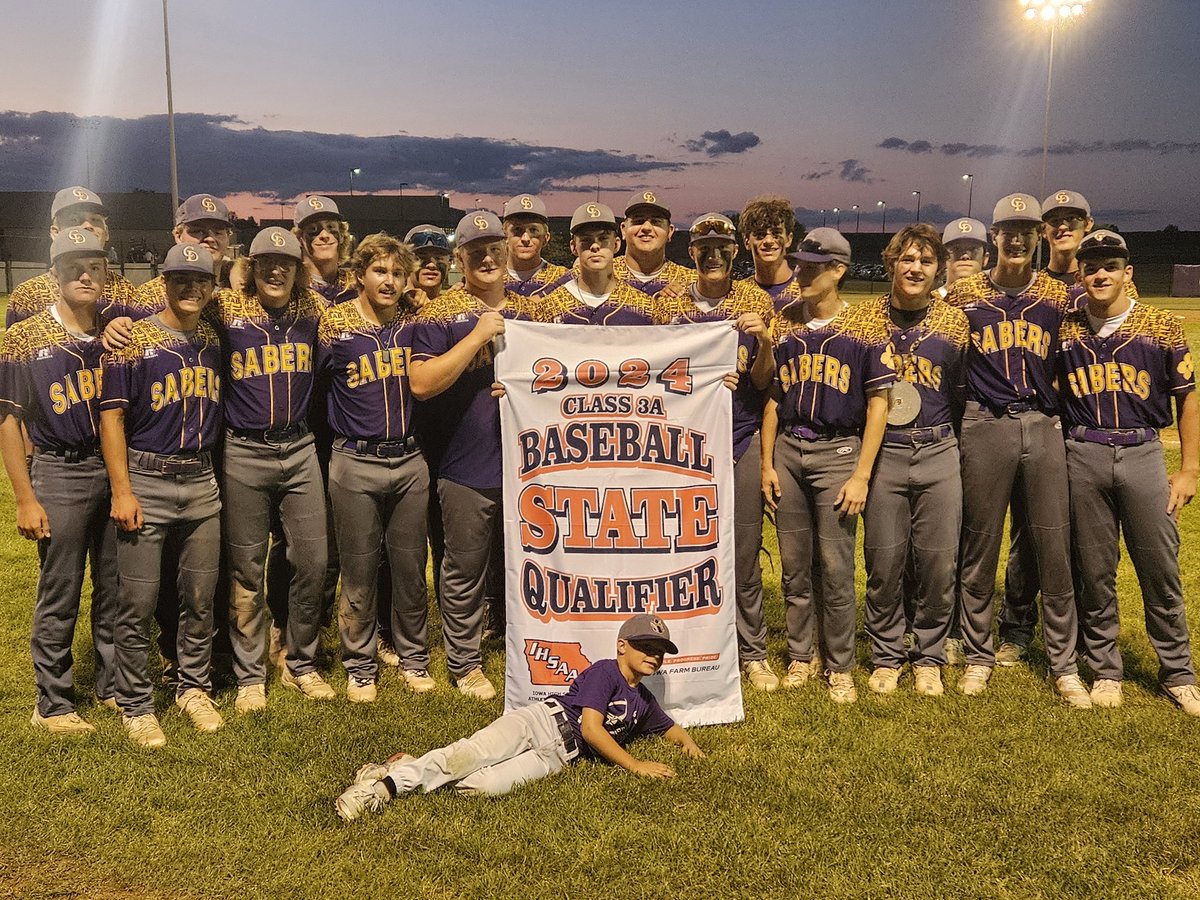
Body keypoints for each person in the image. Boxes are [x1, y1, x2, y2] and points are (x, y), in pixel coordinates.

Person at [333, 613, 705, 820]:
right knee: (466, 755)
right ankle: (377, 789)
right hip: (540, 722)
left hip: (558, 757)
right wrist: (636, 765)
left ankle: (404, 767)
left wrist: (690, 746)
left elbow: (670, 728)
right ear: (622, 645)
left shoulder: (642, 699)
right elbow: (592, 730)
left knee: (479, 787)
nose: (654, 656)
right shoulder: (606, 671)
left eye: (660, 651)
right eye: (646, 646)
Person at [945, 194, 1089, 707]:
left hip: (1044, 423)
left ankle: (1064, 662)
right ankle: (979, 654)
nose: (1017, 238)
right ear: (994, 236)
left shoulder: (1057, 294)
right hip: (986, 423)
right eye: (1008, 229)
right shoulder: (963, 297)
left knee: (1052, 543)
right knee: (979, 543)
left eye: (1027, 230)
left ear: (1038, 237)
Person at [1058, 230, 1200, 715]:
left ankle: (1178, 672)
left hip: (1141, 454)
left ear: (1127, 272)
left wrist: (1189, 470)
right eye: (1092, 266)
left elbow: (1187, 399)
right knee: (1094, 572)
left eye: (1110, 266)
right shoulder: (1066, 328)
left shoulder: (1160, 325)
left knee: (1159, 569)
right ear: (1080, 274)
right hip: (1084, 453)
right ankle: (1105, 669)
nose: (1101, 274)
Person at [409, 211, 544, 699]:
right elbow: (421, 384)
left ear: (508, 253)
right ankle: (464, 662)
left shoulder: (534, 311)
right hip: (466, 462)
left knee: (528, 564)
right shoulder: (439, 313)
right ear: (459, 259)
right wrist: (478, 337)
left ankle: (521, 644)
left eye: (495, 249)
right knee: (464, 567)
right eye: (475, 252)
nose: (487, 258)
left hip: (530, 464)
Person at [99, 243, 225, 748]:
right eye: (181, 279)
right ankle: (136, 702)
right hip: (147, 477)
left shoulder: (216, 340)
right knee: (138, 600)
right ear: (164, 282)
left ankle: (193, 687)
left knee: (198, 598)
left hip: (201, 480)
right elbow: (111, 417)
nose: (192, 288)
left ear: (213, 286)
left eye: (202, 280)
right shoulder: (133, 339)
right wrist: (122, 490)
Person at [761, 228, 894, 703]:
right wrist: (766, 464)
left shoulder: (864, 328)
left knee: (836, 566)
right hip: (790, 454)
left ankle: (840, 665)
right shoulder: (786, 323)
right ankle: (802, 655)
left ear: (838, 270)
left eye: (812, 266)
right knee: (795, 567)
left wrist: (861, 473)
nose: (800, 273)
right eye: (799, 265)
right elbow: (774, 400)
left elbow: (880, 403)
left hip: (838, 452)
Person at [0, 228, 118, 734]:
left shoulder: (118, 329)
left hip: (114, 470)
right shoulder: (24, 336)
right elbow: (7, 421)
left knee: (115, 587)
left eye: (93, 265)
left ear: (107, 273)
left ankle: (112, 686)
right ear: (54, 274)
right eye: (73, 266)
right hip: (59, 469)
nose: (85, 274)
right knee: (61, 588)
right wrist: (25, 497)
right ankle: (52, 702)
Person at [212, 227, 334, 712]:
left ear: (299, 270)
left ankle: (299, 661)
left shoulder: (316, 311)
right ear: (252, 267)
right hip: (243, 451)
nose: (275, 270)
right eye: (265, 262)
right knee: (246, 570)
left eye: (285, 263)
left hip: (300, 448)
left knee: (314, 561)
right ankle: (248, 675)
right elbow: (164, 310)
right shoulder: (226, 309)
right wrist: (119, 323)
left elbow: (373, 316)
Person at [661, 213, 777, 691]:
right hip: (682, 446)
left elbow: (766, 382)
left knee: (744, 552)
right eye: (703, 248)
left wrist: (765, 340)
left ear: (735, 253)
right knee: (680, 550)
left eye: (722, 248)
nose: (713, 256)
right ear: (691, 253)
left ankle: (752, 651)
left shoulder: (755, 300)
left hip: (739, 437)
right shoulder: (669, 301)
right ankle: (681, 643)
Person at [318, 234, 431, 701]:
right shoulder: (334, 324)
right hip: (354, 458)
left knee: (409, 567)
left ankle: (414, 656)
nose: (389, 281)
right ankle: (360, 664)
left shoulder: (416, 322)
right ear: (361, 274)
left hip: (409, 458)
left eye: (397, 273)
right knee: (359, 569)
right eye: (380, 271)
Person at [860, 224, 968, 697]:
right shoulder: (863, 320)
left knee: (938, 563)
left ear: (937, 268)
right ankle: (886, 653)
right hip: (886, 451)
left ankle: (928, 655)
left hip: (938, 445)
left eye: (925, 261)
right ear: (891, 265)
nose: (915, 268)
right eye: (907, 259)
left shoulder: (955, 322)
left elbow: (963, 393)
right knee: (884, 560)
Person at [6, 187, 135, 328]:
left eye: (95, 219)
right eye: (74, 220)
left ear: (106, 232)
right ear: (55, 232)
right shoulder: (28, 295)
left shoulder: (125, 290)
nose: (87, 226)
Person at [539, 202, 666, 325]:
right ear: (573, 247)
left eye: (603, 239)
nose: (595, 246)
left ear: (616, 244)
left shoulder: (645, 307)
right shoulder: (550, 307)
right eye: (586, 240)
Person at [615, 190, 695, 296]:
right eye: (638, 221)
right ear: (623, 230)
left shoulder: (691, 282)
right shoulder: (600, 275)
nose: (647, 227)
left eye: (656, 222)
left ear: (669, 232)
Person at [738, 195, 800, 314]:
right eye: (760, 234)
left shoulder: (808, 291)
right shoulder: (738, 293)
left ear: (788, 239)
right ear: (747, 241)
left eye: (776, 233)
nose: (768, 241)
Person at [501, 194, 567, 297]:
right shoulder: (490, 279)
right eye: (517, 230)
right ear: (505, 236)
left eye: (533, 230)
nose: (525, 238)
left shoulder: (562, 279)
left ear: (546, 238)